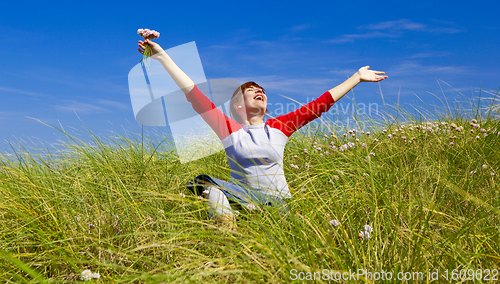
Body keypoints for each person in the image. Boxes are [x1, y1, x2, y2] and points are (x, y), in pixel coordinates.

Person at [138, 39, 388, 229]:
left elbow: (320, 104)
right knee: (207, 184)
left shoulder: (280, 126)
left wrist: (356, 77)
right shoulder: (228, 129)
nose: (259, 91)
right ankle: (227, 231)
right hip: (242, 200)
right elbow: (193, 93)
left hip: (277, 205)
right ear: (237, 104)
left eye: (262, 90)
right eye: (251, 90)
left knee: (216, 188)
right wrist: (162, 57)